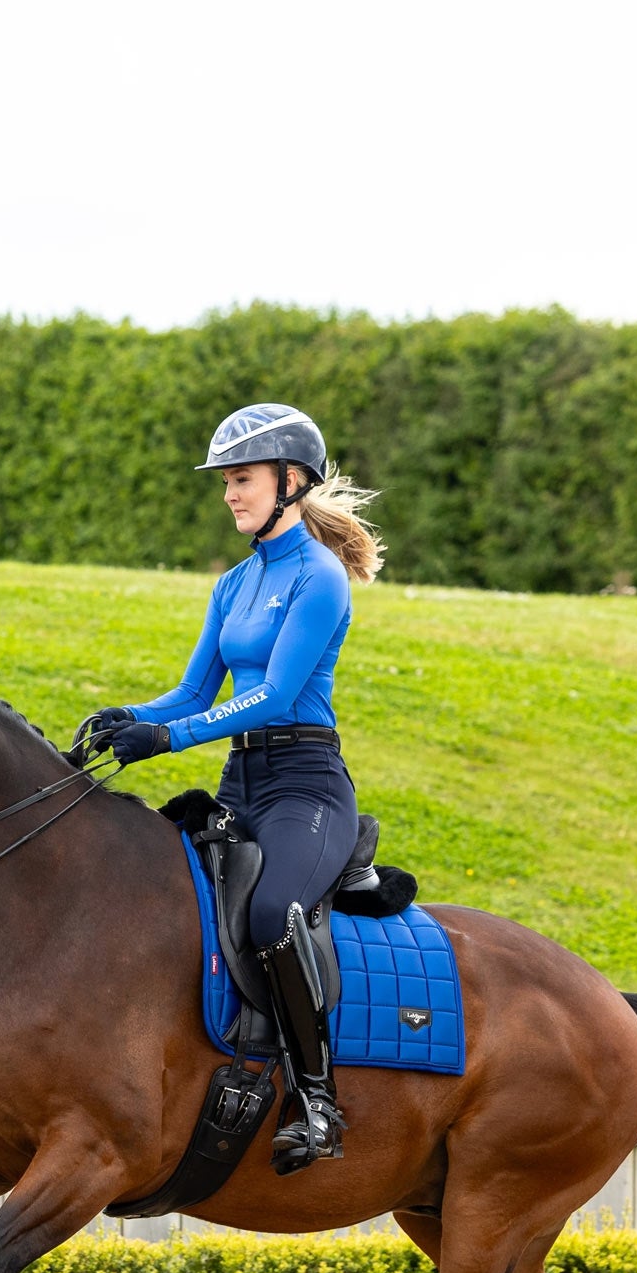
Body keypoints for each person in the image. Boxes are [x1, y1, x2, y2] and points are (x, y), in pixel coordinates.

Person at [74, 403, 385, 1172]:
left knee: (276, 914)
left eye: (241, 481)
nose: (229, 496)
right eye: (226, 484)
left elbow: (279, 694)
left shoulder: (318, 576)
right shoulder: (236, 583)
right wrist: (129, 719)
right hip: (240, 781)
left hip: (304, 786)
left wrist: (169, 738)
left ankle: (317, 1103)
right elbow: (190, 692)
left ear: (289, 481)